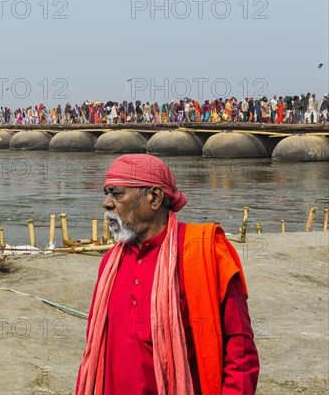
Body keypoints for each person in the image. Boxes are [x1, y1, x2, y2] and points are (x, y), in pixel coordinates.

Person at [76, 154, 260, 395]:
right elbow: (92, 347)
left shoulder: (205, 251)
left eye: (117, 194)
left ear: (154, 197)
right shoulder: (111, 262)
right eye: (106, 194)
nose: (107, 203)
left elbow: (240, 349)